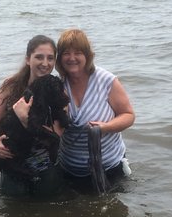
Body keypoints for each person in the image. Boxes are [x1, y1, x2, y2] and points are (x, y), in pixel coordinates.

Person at [0, 34, 66, 197]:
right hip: (13, 167)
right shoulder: (11, 85)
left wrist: (24, 118)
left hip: (44, 168)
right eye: (39, 57)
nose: (45, 63)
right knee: (13, 214)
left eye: (50, 58)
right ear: (28, 59)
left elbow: (56, 135)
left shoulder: (56, 89)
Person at [55, 28, 135, 192]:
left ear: (87, 55)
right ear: (59, 58)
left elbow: (128, 115)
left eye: (77, 52)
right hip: (69, 170)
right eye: (66, 53)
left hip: (109, 168)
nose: (72, 58)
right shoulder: (57, 85)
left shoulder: (106, 80)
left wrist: (106, 128)